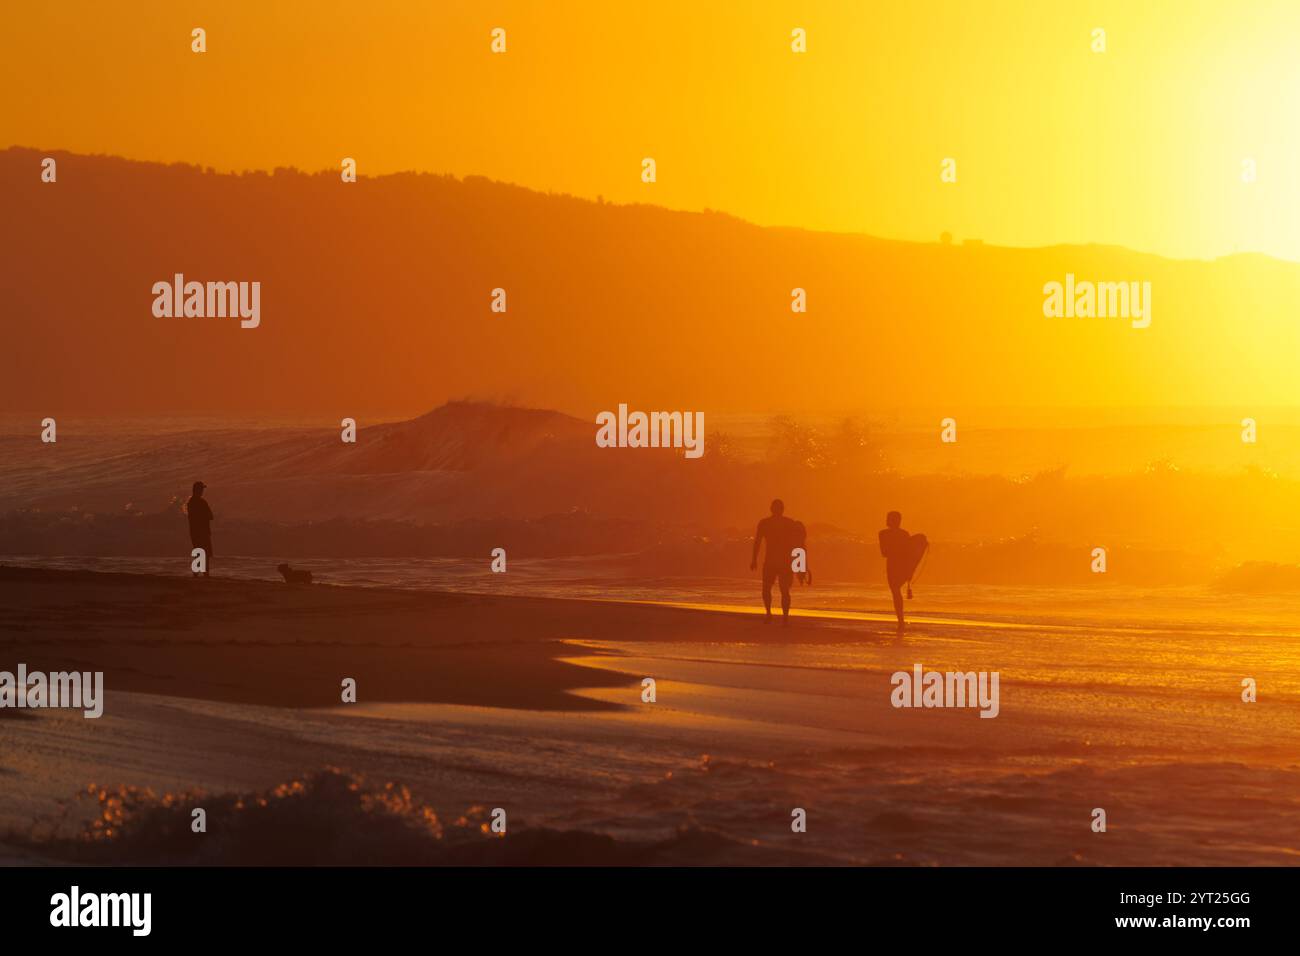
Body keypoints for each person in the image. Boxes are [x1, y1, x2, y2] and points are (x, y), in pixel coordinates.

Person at [750, 498, 802, 624]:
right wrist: (800, 564)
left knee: (768, 589)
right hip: (783, 562)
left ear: (771, 509)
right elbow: (799, 544)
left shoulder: (765, 523)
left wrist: (754, 559)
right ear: (782, 509)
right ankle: (784, 618)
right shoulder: (788, 523)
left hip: (772, 562)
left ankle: (769, 614)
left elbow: (757, 542)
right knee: (783, 590)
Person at [878, 510, 910, 633]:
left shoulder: (883, 534)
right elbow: (908, 553)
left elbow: (884, 553)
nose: (887, 520)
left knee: (896, 592)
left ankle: (900, 621)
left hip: (893, 565)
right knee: (896, 592)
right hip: (900, 565)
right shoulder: (904, 534)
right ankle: (900, 620)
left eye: (889, 518)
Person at [186, 481, 214, 578]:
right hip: (203, 531)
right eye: (201, 489)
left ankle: (196, 574)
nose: (202, 491)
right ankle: (205, 574)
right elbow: (211, 516)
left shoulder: (190, 503)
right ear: (198, 490)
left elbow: (192, 518)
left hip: (194, 532)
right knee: (205, 553)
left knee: (199, 552)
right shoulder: (202, 502)